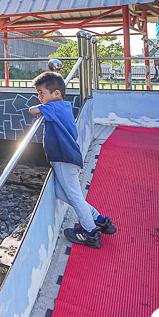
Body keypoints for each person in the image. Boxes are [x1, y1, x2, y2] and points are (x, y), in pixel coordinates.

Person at [29, 71, 116, 249]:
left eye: (41, 93)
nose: (40, 97)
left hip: (62, 159)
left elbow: (32, 111)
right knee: (63, 194)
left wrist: (40, 107)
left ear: (56, 93)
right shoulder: (64, 107)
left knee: (75, 197)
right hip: (68, 158)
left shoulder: (53, 107)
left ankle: (90, 232)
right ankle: (100, 220)